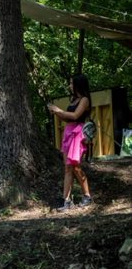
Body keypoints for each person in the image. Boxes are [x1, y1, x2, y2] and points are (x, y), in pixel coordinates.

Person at [48, 74, 93, 211]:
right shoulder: (74, 100)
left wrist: (58, 110)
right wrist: (56, 112)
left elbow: (75, 116)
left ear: (79, 84)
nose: (70, 86)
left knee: (75, 166)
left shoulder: (84, 100)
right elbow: (68, 119)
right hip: (68, 132)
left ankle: (87, 196)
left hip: (77, 134)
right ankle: (66, 201)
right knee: (67, 168)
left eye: (72, 83)